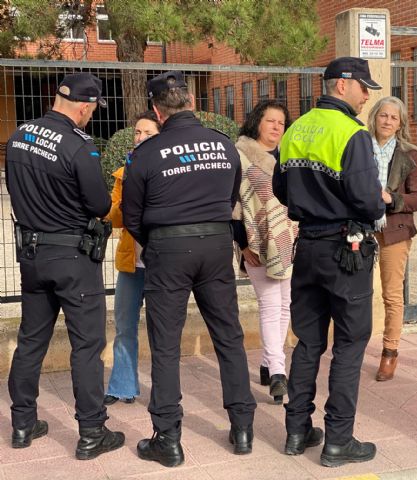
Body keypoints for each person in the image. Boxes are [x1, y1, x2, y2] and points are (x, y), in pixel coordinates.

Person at [122, 71, 256, 468]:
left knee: (165, 344)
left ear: (157, 111)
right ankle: (242, 427)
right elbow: (231, 195)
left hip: (168, 247)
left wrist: (160, 239)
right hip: (215, 243)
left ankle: (168, 437)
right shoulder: (223, 145)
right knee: (229, 336)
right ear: (192, 103)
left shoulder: (147, 152)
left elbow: (132, 215)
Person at [5, 72, 125, 459]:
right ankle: (92, 432)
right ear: (86, 106)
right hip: (73, 258)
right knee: (87, 345)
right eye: (93, 109)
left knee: (30, 341)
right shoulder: (79, 146)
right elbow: (98, 205)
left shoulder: (19, 135)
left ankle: (23, 424)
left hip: (32, 256)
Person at [273, 56, 385, 467]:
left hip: (308, 247)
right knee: (351, 344)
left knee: (308, 342)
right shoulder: (351, 133)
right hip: (346, 249)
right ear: (342, 85)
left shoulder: (296, 128)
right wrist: (376, 202)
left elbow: (281, 189)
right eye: (363, 87)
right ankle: (338, 440)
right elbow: (369, 200)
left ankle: (297, 430)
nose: (367, 95)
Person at [231, 100, 297, 404]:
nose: (276, 127)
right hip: (256, 242)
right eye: (270, 121)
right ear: (257, 121)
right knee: (271, 304)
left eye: (281, 123)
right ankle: (278, 374)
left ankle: (268, 363)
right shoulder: (240, 155)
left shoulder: (289, 155)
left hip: (289, 239)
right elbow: (233, 206)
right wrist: (243, 245)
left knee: (285, 304)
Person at [104, 111, 161, 406]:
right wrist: (125, 202)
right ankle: (123, 386)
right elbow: (112, 218)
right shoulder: (122, 174)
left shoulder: (167, 170)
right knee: (125, 325)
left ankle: (164, 391)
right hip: (130, 262)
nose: (140, 138)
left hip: (162, 263)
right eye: (137, 132)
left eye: (148, 133)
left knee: (160, 328)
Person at [367, 96, 417, 382]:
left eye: (394, 117)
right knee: (357, 293)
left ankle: (389, 352)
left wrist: (392, 198)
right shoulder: (360, 147)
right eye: (383, 115)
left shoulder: (409, 153)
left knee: (391, 294)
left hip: (394, 229)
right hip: (362, 229)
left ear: (401, 123)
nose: (388, 121)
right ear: (375, 117)